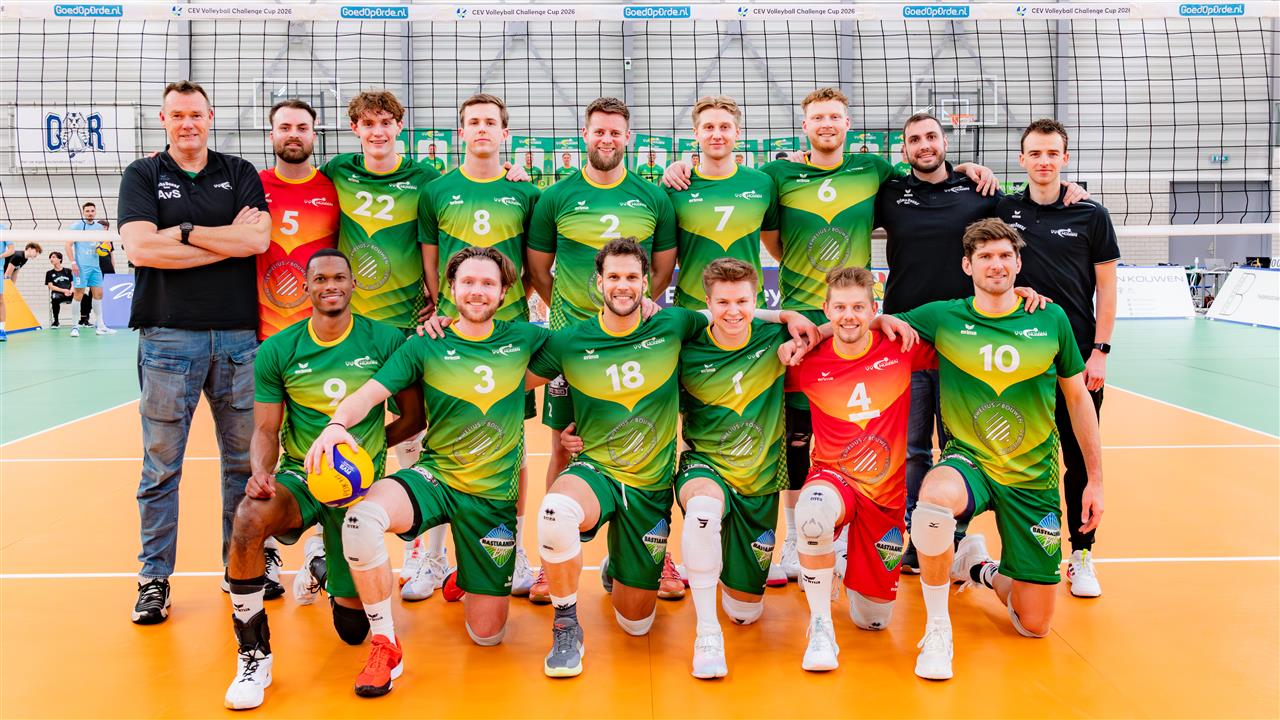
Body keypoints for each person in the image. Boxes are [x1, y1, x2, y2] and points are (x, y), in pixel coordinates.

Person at [665, 88, 993, 585]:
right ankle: (796, 537)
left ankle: (869, 532)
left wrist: (967, 168)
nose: (826, 124)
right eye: (817, 117)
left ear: (847, 124)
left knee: (860, 429)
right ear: (805, 126)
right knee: (795, 436)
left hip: (854, 322)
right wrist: (678, 167)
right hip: (803, 324)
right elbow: (772, 237)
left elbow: (925, 175)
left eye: (834, 116)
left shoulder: (873, 170)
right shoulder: (776, 176)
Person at [307, 247, 551, 696]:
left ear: (504, 293)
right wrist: (337, 425)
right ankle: (385, 643)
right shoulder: (425, 343)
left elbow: (594, 346)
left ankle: (466, 573)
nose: (477, 291)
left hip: (491, 500)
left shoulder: (525, 339)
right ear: (451, 288)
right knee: (362, 518)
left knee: (488, 636)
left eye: (488, 284)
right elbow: (369, 393)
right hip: (436, 478)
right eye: (468, 282)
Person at [566, 258, 807, 678]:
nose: (733, 311)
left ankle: (656, 568)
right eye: (722, 302)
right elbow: (635, 379)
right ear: (707, 304)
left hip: (760, 480)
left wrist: (791, 319)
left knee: (745, 612)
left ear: (757, 301)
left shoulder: (777, 337)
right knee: (701, 512)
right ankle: (706, 633)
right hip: (703, 466)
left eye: (743, 301)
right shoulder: (685, 345)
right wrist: (584, 429)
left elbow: (839, 329)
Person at [885, 218, 1103, 680]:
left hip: (1032, 477)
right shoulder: (943, 316)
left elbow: (1078, 398)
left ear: (1019, 263)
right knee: (933, 498)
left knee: (1034, 624)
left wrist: (1095, 481)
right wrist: (811, 322)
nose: (996, 264)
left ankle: (978, 566)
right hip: (971, 461)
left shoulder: (1051, 318)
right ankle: (938, 628)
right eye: (985, 256)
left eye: (1005, 255)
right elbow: (869, 325)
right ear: (967, 266)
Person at [875, 112, 1089, 572]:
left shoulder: (979, 190)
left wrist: (1067, 194)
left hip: (967, 339)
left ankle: (955, 540)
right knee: (913, 450)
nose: (925, 145)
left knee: (962, 444)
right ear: (904, 149)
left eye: (932, 137)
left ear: (945, 141)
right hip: (911, 337)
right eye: (915, 139)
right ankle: (919, 537)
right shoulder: (889, 192)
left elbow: (1019, 227)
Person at [222, 248, 422, 710]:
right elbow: (266, 429)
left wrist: (369, 452)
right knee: (249, 518)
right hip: (302, 474)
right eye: (320, 279)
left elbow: (413, 418)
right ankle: (253, 655)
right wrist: (261, 473)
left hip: (358, 486)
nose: (330, 285)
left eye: (338, 277)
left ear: (353, 284)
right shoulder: (278, 349)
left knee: (352, 632)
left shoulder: (387, 340)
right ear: (306, 288)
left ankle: (321, 566)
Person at [118, 80, 271, 624]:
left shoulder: (239, 171)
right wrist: (220, 238)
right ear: (164, 119)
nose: (187, 123)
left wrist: (179, 234)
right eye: (177, 115)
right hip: (167, 337)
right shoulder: (142, 174)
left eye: (196, 115)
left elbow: (256, 241)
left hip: (237, 338)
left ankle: (240, 568)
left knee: (244, 466)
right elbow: (140, 248)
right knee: (161, 468)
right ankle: (154, 579)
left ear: (211, 117)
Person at [529, 238, 706, 677]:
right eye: (613, 277)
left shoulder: (672, 323)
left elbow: (730, 316)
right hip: (597, 470)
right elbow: (508, 374)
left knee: (636, 624)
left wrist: (787, 316)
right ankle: (566, 625)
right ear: (599, 282)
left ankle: (619, 563)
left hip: (649, 487)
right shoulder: (571, 340)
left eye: (631, 277)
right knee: (555, 511)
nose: (622, 285)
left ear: (646, 282)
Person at [526, 97, 679, 601]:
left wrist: (631, 315)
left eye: (616, 131)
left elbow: (661, 269)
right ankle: (550, 558)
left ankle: (654, 550)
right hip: (573, 341)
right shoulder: (556, 197)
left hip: (637, 341)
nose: (607, 139)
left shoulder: (653, 197)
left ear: (628, 137)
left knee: (647, 439)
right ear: (585, 135)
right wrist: (582, 325)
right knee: (561, 443)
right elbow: (538, 269)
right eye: (599, 131)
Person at [779, 266, 935, 672]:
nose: (849, 316)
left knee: (873, 620)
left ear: (874, 309)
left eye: (859, 308)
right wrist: (803, 339)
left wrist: (1018, 293)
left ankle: (843, 561)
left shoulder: (901, 345)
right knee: (812, 515)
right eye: (840, 308)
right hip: (834, 479)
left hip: (884, 497)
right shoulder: (805, 359)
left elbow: (966, 326)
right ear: (826, 309)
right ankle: (820, 627)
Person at [418, 93, 542, 598]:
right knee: (442, 439)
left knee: (511, 445)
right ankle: (431, 557)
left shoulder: (526, 192)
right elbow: (431, 262)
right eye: (473, 122)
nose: (482, 128)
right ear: (461, 132)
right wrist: (443, 307)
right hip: (451, 333)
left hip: (508, 335)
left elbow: (533, 265)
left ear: (505, 134)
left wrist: (506, 307)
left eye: (491, 121)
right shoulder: (437, 190)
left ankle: (512, 550)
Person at [997, 118, 1118, 598]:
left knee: (1079, 459)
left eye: (1052, 153)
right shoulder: (1004, 209)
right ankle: (1016, 551)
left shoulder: (1091, 214)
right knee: (1017, 456)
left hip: (1075, 359)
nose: (1044, 161)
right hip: (1020, 358)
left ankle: (1082, 554)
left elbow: (1107, 288)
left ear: (1064, 159)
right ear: (1022, 159)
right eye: (1035, 153)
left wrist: (1100, 351)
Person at [666, 95, 776, 311]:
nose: (717, 135)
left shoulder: (763, 183)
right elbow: (664, 260)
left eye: (724, 127)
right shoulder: (676, 186)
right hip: (692, 309)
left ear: (737, 132)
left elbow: (777, 248)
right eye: (708, 127)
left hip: (749, 309)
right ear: (696, 133)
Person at [257, 98, 338, 342]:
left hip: (318, 329)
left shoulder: (334, 188)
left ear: (314, 135)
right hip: (260, 331)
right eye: (285, 127)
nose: (294, 134)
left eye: (302, 128)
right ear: (271, 135)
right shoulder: (253, 184)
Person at [68, 201, 112, 334]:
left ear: (95, 212)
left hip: (95, 266)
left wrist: (106, 245)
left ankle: (101, 325)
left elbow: (106, 244)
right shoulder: (76, 226)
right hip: (81, 267)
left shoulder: (99, 227)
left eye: (92, 211)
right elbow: (67, 245)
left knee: (98, 295)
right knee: (78, 295)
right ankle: (74, 326)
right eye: (87, 211)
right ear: (83, 212)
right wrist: (73, 263)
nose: (90, 213)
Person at [45, 251, 75, 327]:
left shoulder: (68, 271)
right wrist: (64, 290)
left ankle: (84, 320)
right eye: (50, 258)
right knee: (54, 299)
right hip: (58, 293)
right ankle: (56, 321)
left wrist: (71, 291)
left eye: (53, 257)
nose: (51, 259)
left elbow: (73, 283)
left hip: (70, 293)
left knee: (85, 297)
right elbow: (51, 286)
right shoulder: (49, 273)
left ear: (60, 259)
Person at [0, 235, 11, 342]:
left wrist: (0, 256)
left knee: (0, 300)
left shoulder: (3, 229)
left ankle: (2, 330)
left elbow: (11, 250)